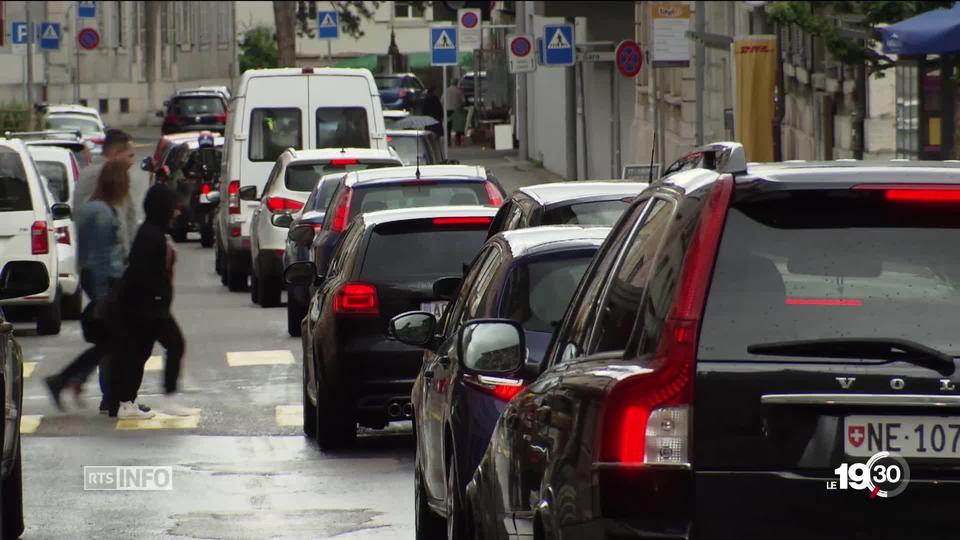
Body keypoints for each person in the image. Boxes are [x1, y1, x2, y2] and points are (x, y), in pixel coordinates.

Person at [44, 160, 129, 411]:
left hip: (100, 283)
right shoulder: (102, 212)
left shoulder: (93, 208)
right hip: (107, 284)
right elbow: (102, 256)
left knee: (110, 342)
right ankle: (69, 381)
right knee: (115, 342)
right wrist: (105, 296)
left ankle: (72, 381)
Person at [110, 183, 190, 418]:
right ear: (163, 208)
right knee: (175, 344)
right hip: (148, 307)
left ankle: (126, 403)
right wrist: (157, 299)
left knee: (138, 353)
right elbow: (142, 272)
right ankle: (167, 398)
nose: (177, 212)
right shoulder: (150, 236)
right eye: (173, 207)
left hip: (146, 306)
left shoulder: (152, 232)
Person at [74, 129, 138, 256]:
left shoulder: (90, 171)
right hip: (108, 260)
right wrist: (125, 255)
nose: (132, 162)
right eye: (129, 156)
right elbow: (118, 220)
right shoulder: (106, 175)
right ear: (115, 154)